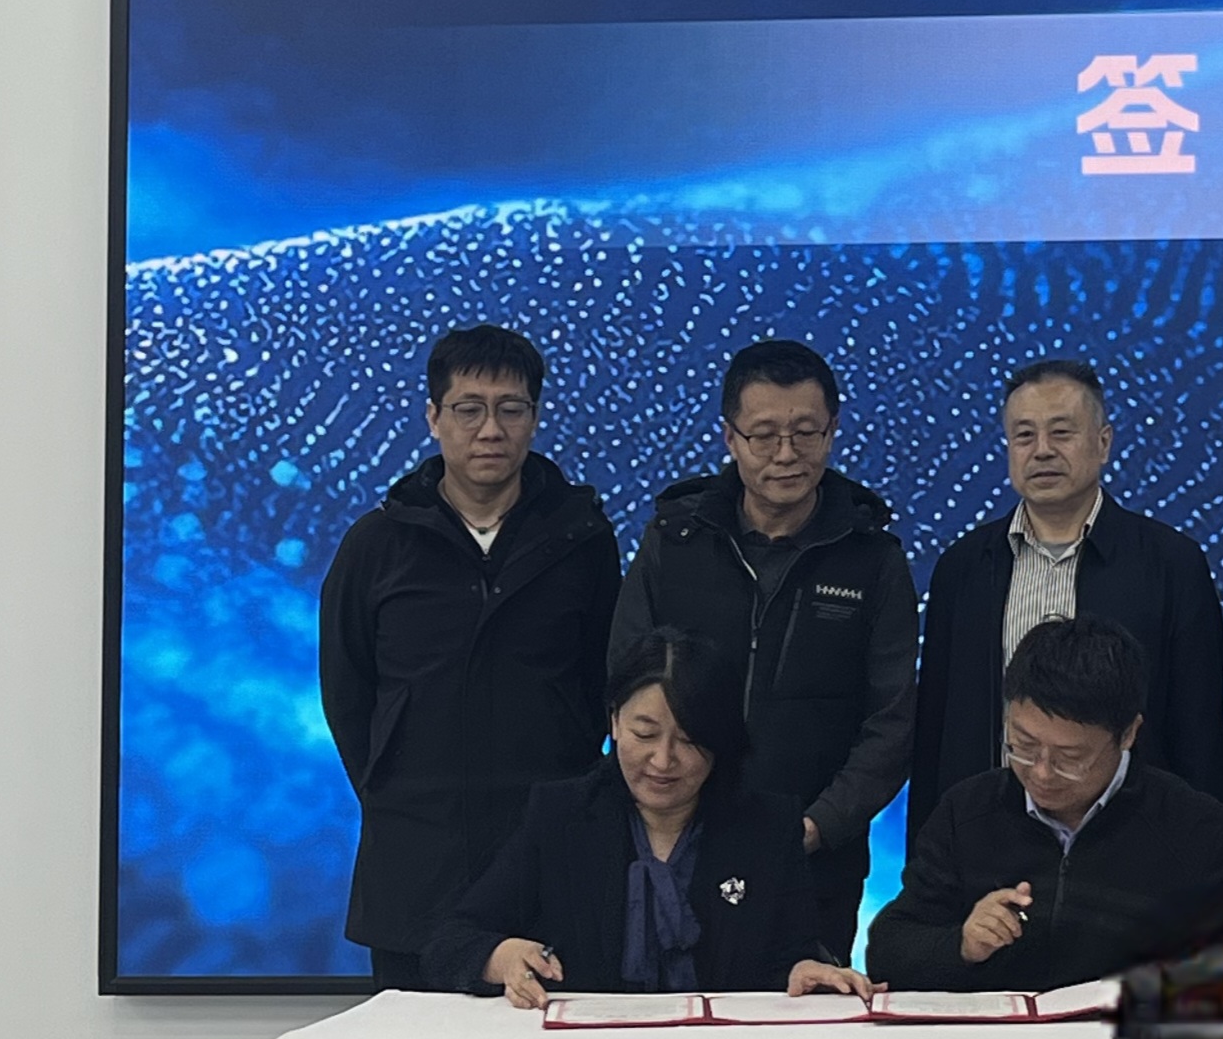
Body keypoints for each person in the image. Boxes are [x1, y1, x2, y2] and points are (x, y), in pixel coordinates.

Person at [318, 325, 621, 990]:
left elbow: (605, 681)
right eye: (468, 409)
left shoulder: (581, 539)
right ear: (434, 417)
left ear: (534, 418)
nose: (490, 430)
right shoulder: (376, 544)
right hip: (414, 858)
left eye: (511, 409)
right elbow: (347, 693)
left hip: (544, 850)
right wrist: (395, 787)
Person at [610, 338, 915, 961]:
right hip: (674, 845)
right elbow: (623, 683)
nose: (786, 454)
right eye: (764, 435)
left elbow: (892, 721)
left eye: (805, 433)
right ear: (730, 436)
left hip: (813, 860)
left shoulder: (872, 558)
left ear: (832, 431)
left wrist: (818, 826)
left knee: (804, 1012)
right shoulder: (675, 542)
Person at [419, 631, 870, 1004]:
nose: (663, 760)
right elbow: (450, 942)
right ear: (615, 722)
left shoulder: (767, 826)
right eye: (644, 734)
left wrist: (805, 971)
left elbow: (788, 956)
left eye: (689, 740)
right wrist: (501, 957)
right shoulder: (561, 816)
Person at [869, 616, 1223, 994]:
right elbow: (889, 949)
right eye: (1022, 745)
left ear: (1128, 735)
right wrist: (962, 944)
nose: (1041, 773)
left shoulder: (1191, 826)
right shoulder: (968, 811)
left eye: (1070, 758)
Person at [909, 358, 1223, 843]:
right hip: (987, 842)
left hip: (1130, 848)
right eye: (1024, 435)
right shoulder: (965, 567)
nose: (1042, 450)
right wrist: (926, 862)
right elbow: (935, 729)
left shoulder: (1172, 564)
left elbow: (1198, 735)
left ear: (1103, 442)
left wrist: (1203, 863)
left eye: (1061, 432)